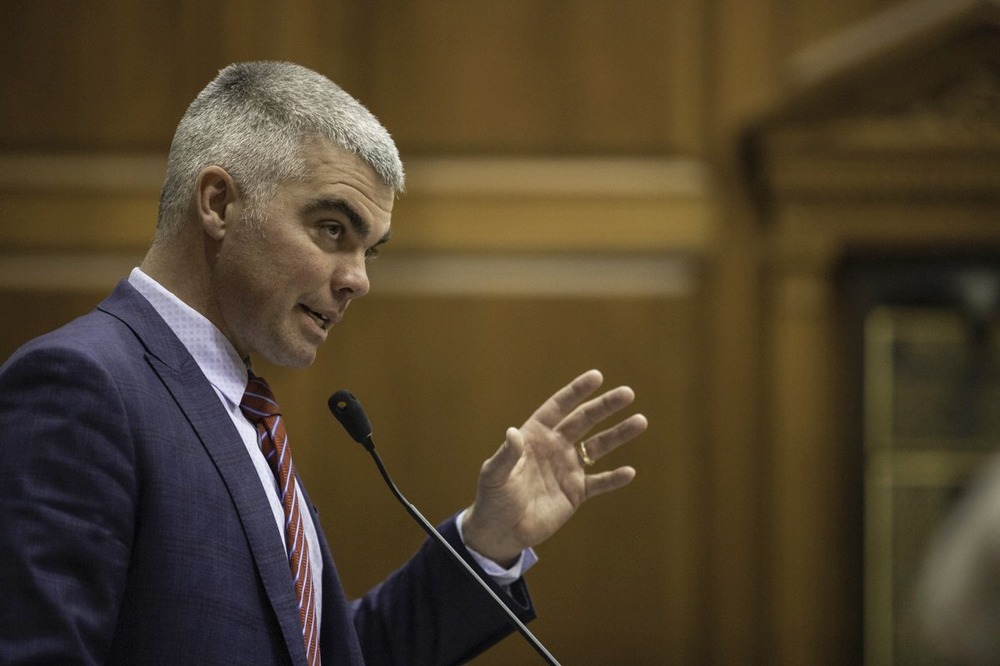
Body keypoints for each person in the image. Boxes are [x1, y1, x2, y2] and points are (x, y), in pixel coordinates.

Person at [0, 61, 647, 665]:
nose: (358, 281)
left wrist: (486, 542)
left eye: (371, 250)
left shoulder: (237, 408)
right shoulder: (83, 388)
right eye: (333, 229)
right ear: (220, 203)